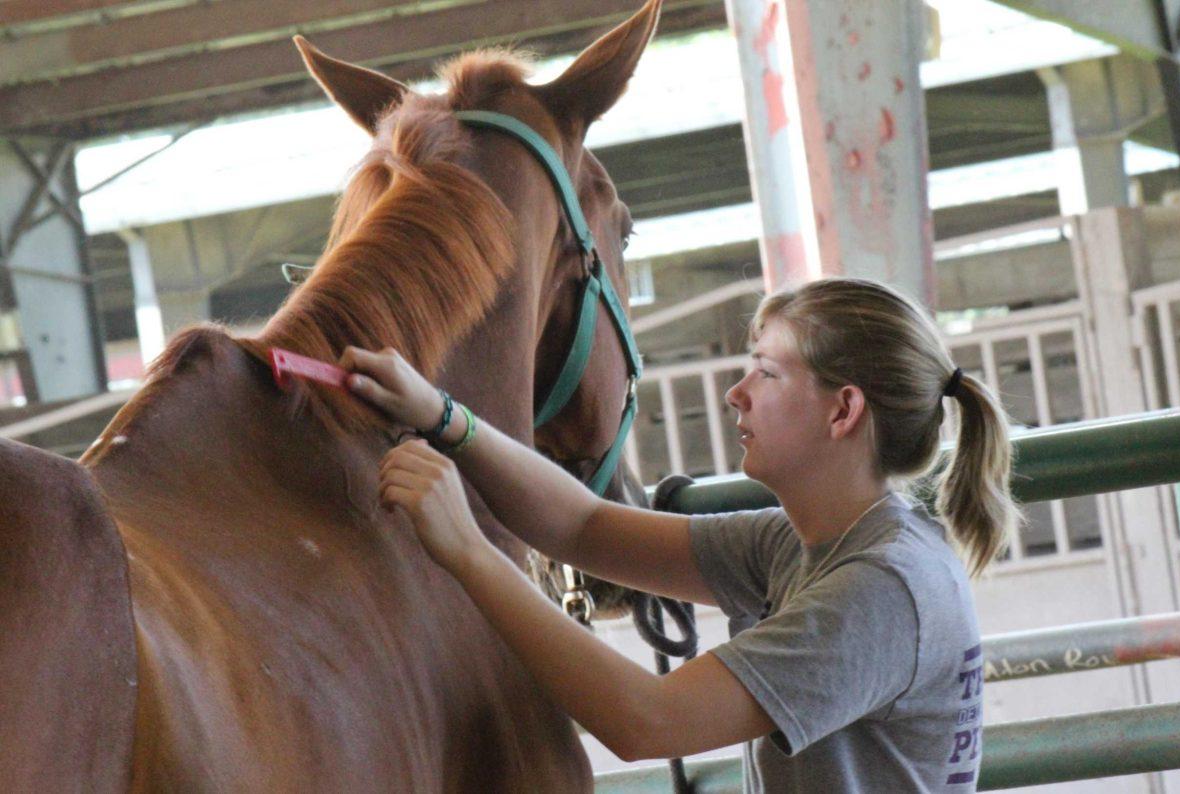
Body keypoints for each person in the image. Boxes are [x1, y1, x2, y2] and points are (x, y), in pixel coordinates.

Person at [340, 276, 1019, 793]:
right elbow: (583, 525)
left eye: (768, 372)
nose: (736, 392)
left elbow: (648, 722)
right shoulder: (806, 542)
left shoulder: (880, 590)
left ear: (843, 411)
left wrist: (468, 552)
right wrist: (443, 416)